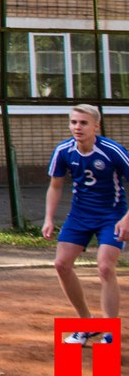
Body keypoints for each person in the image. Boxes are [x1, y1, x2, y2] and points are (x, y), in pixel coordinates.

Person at [42, 104, 129, 347]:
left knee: (105, 267)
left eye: (83, 123)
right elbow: (55, 186)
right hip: (80, 215)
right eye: (73, 122)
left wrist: (126, 218)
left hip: (111, 215)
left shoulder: (112, 151)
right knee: (61, 264)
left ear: (96, 126)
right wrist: (49, 218)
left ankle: (110, 332)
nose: (77, 127)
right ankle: (86, 323)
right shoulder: (63, 151)